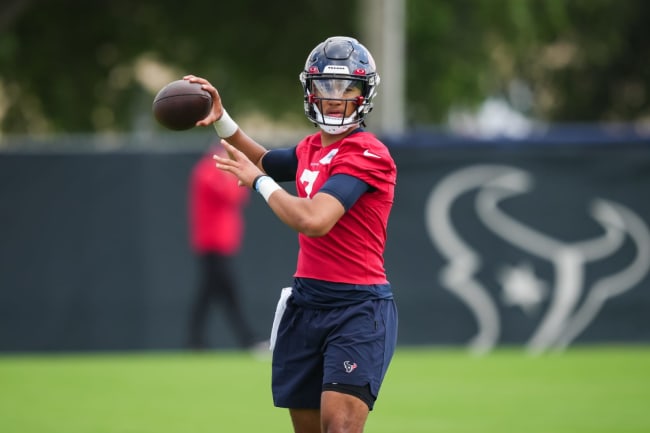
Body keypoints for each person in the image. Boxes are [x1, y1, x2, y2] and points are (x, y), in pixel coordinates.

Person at [185, 36, 398, 433]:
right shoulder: (311, 148)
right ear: (310, 91)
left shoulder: (369, 153)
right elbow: (261, 158)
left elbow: (315, 219)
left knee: (339, 427)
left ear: (364, 92)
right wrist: (220, 118)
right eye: (325, 87)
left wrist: (261, 183)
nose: (335, 97)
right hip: (306, 304)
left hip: (355, 309)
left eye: (347, 86)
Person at [187, 141, 259, 351]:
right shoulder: (207, 171)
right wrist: (234, 176)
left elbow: (241, 195)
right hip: (212, 244)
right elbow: (233, 194)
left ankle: (195, 341)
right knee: (228, 293)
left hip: (222, 244)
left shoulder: (216, 171)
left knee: (210, 293)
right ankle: (249, 339)